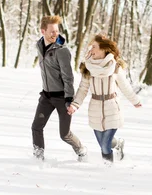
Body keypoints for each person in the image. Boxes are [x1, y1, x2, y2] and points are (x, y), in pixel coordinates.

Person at [67, 34, 141, 164]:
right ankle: (118, 144)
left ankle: (108, 170)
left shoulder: (115, 67)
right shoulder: (87, 68)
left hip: (112, 108)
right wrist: (75, 104)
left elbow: (125, 87)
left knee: (105, 146)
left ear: (103, 49)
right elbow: (83, 89)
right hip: (95, 109)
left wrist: (135, 101)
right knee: (103, 142)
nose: (91, 49)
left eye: (94, 46)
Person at [31, 15, 87, 161]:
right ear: (43, 31)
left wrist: (69, 99)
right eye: (52, 31)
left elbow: (68, 77)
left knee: (64, 134)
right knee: (36, 127)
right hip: (46, 97)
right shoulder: (39, 45)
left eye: (57, 31)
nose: (55, 34)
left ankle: (81, 150)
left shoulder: (62, 51)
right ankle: (38, 158)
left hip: (62, 97)